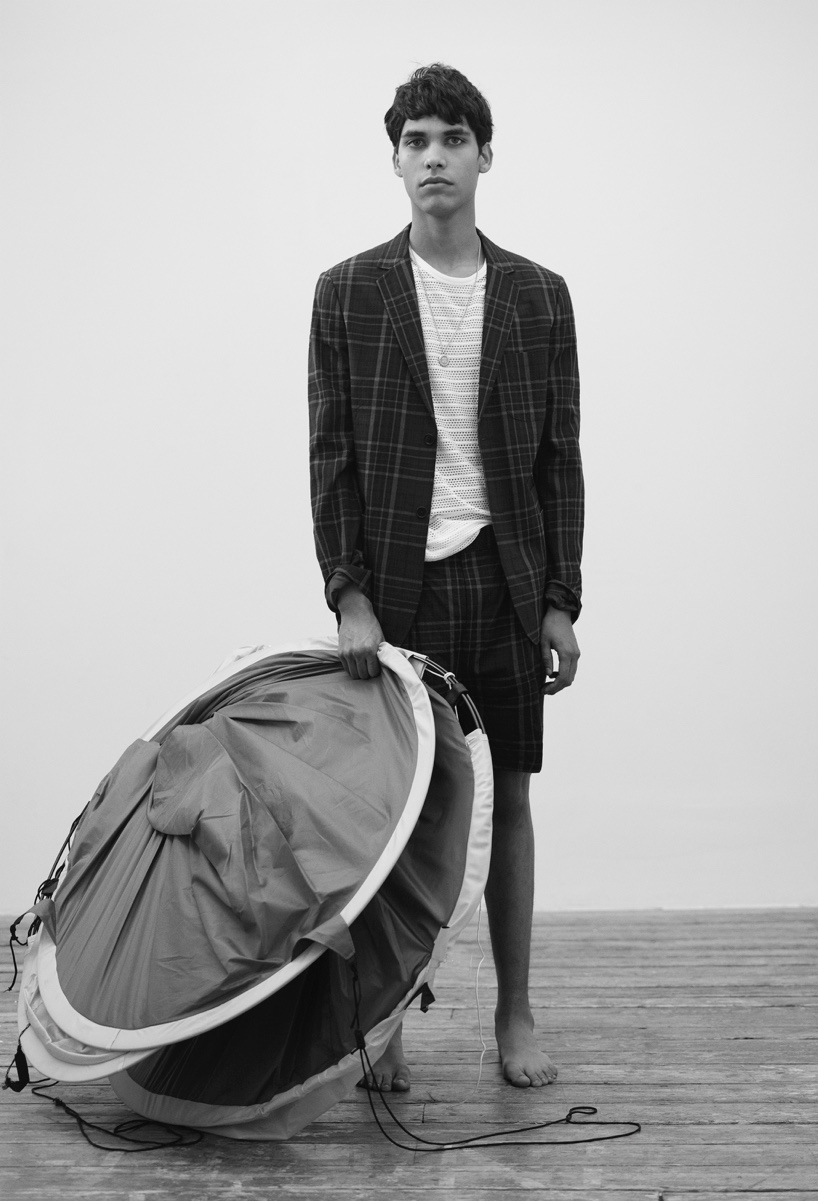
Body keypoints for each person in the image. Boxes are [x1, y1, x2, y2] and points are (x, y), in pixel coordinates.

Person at [308, 63, 583, 1090]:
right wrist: (350, 594)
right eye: (416, 140)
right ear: (395, 160)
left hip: (504, 580)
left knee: (508, 799)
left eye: (453, 139)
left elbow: (560, 459)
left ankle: (514, 1012)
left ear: (484, 156)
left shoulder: (539, 296)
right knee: (395, 816)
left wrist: (560, 599)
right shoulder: (348, 292)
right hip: (397, 593)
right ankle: (384, 1023)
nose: (434, 157)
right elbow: (331, 456)